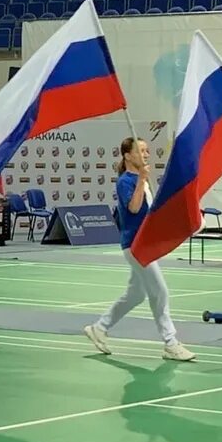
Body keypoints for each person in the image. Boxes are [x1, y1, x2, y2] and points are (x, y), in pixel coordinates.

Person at [83, 137, 195, 361]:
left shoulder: (142, 181)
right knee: (160, 292)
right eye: (141, 151)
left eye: (147, 151)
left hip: (146, 243)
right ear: (127, 155)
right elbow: (134, 208)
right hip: (135, 245)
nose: (146, 155)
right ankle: (170, 343)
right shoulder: (126, 181)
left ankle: (99, 327)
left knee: (135, 295)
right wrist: (141, 180)